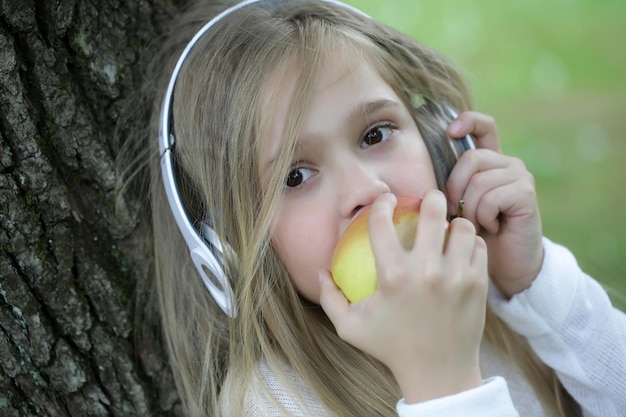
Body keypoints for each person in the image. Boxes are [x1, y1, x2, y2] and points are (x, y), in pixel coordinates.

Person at [119, 0, 626, 415]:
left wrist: (535, 283)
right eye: (294, 176)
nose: (366, 188)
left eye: (374, 134)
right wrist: (442, 383)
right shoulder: (274, 402)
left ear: (443, 147)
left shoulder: (493, 291)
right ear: (225, 251)